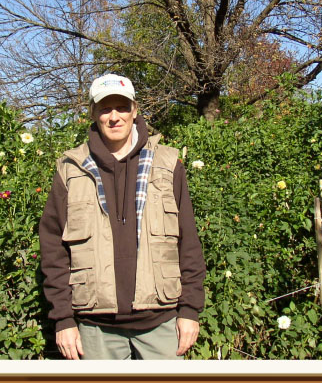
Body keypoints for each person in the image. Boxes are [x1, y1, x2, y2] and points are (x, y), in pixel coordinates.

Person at [39, 74, 206, 360]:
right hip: (95, 329)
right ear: (93, 113)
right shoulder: (70, 168)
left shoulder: (168, 164)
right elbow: (53, 249)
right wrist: (63, 319)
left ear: (135, 111)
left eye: (122, 107)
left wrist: (190, 310)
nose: (114, 117)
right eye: (105, 109)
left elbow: (188, 242)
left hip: (162, 323)